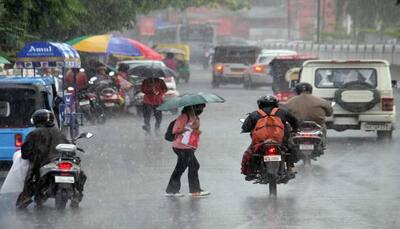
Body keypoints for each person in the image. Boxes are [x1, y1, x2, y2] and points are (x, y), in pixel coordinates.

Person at [16, 110, 70, 209]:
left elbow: (25, 151)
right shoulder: (59, 132)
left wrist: (29, 155)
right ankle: (76, 195)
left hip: (42, 161)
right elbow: (68, 146)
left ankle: (26, 197)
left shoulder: (34, 133)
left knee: (30, 176)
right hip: (60, 160)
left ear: (37, 120)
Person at [241, 95, 299, 180]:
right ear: (275, 104)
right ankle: (290, 168)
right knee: (291, 149)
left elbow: (245, 127)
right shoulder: (282, 112)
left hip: (261, 142)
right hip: (280, 141)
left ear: (260, 104)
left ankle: (251, 172)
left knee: (250, 153)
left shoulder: (254, 114)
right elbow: (294, 122)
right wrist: (295, 129)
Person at [165, 104, 210, 197]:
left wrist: (196, 130)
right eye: (200, 107)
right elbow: (175, 130)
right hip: (181, 146)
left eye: (202, 107)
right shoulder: (184, 117)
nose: (201, 109)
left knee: (180, 168)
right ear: (193, 107)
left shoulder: (196, 117)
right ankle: (194, 190)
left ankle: (171, 190)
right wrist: (185, 129)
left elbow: (194, 132)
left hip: (188, 146)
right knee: (194, 165)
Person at [140, 69, 168, 134]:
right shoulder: (146, 81)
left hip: (158, 101)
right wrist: (150, 90)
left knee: (158, 117)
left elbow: (165, 89)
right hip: (147, 101)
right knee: (147, 116)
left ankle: (157, 128)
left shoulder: (161, 81)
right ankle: (147, 128)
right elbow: (143, 89)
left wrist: (159, 92)